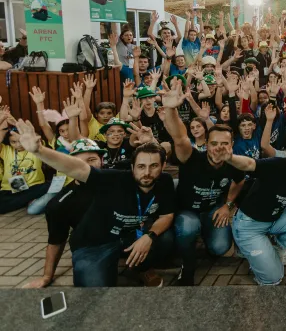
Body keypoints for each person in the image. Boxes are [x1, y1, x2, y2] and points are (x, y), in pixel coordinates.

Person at [12, 120, 175, 287]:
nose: (146, 172)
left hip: (129, 234)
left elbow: (167, 213)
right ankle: (110, 266)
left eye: (92, 159)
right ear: (133, 168)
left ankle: (142, 268)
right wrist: (39, 150)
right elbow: (77, 169)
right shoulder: (101, 183)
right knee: (92, 294)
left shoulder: (160, 179)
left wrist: (149, 236)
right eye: (141, 167)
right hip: (95, 244)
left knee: (165, 238)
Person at [162, 79, 246, 286]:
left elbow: (240, 181)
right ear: (206, 144)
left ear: (232, 145)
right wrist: (171, 109)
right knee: (188, 227)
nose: (219, 148)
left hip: (213, 210)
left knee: (219, 249)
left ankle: (204, 238)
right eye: (214, 143)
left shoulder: (234, 163)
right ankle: (187, 266)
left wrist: (228, 205)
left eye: (224, 144)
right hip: (187, 210)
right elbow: (180, 138)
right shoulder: (192, 158)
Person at [225, 132, 286, 286]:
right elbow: (250, 164)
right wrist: (230, 158)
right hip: (249, 225)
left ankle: (273, 242)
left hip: (274, 219)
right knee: (273, 278)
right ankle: (249, 249)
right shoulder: (276, 165)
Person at [23, 139, 105, 288]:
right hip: (92, 246)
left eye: (92, 159)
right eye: (77, 162)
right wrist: (47, 276)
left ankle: (144, 269)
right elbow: (56, 240)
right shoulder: (60, 203)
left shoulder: (118, 180)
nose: (86, 166)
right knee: (92, 285)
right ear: (67, 167)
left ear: (102, 160)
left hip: (127, 237)